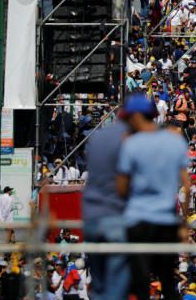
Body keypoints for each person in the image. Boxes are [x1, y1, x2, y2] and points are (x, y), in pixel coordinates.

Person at [116, 94, 190, 300]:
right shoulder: (174, 142)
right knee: (168, 280)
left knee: (140, 283)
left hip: (138, 221)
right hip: (166, 222)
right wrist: (184, 223)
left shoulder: (130, 144)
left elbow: (121, 188)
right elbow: (187, 185)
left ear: (137, 116)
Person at [82, 114, 131, 300]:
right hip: (116, 218)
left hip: (92, 217)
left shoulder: (97, 138)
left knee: (99, 282)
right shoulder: (130, 139)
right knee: (116, 284)